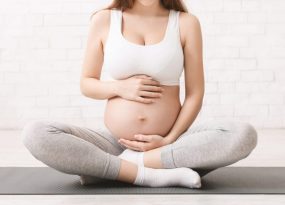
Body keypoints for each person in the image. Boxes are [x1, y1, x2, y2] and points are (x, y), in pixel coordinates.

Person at [21, 0, 258, 189]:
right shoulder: (104, 20)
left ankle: (119, 168)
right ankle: (148, 174)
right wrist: (119, 88)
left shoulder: (186, 23)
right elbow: (87, 83)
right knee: (36, 134)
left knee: (243, 135)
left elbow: (195, 93)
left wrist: (169, 139)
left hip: (169, 144)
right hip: (115, 142)